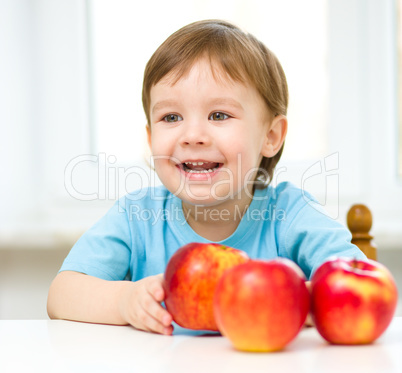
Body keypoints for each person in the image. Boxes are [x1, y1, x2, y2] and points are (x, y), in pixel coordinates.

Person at [47, 19, 367, 335]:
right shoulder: (136, 217)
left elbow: (357, 288)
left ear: (270, 135)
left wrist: (275, 300)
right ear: (149, 138)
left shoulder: (291, 213)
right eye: (171, 117)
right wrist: (123, 300)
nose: (193, 135)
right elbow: (61, 296)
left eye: (219, 115)